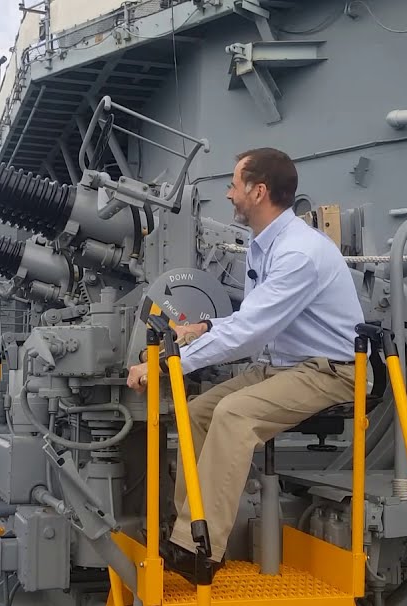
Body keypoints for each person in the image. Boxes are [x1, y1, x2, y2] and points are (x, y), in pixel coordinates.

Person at [125, 147, 366, 582]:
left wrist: (166, 366)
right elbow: (250, 320)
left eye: (234, 184)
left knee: (233, 414)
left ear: (259, 191)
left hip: (331, 371)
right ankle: (189, 530)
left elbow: (250, 333)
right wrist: (205, 327)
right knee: (196, 412)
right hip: (287, 366)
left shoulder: (298, 253)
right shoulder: (265, 245)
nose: (228, 193)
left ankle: (201, 551)